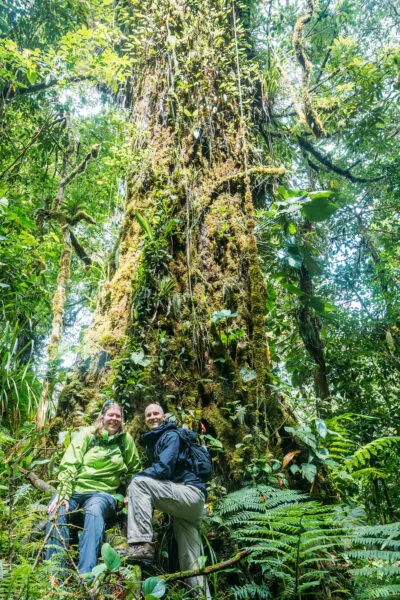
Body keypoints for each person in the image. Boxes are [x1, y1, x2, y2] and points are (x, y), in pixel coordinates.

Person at [45, 400, 141, 578]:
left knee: (94, 512)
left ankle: (86, 576)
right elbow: (70, 464)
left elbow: (135, 470)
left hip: (103, 494)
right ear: (102, 416)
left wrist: (130, 493)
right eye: (110, 415)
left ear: (122, 419)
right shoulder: (87, 434)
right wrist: (63, 493)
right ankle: (55, 575)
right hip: (75, 491)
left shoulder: (124, 440)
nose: (114, 419)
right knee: (56, 511)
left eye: (118, 416)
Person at [127, 403, 211, 598]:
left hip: (189, 494)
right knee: (191, 559)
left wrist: (137, 480)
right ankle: (202, 596)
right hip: (188, 506)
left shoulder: (170, 435)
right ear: (145, 420)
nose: (152, 417)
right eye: (148, 415)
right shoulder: (159, 439)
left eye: (156, 413)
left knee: (138, 483)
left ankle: (141, 545)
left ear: (164, 417)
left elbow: (163, 469)